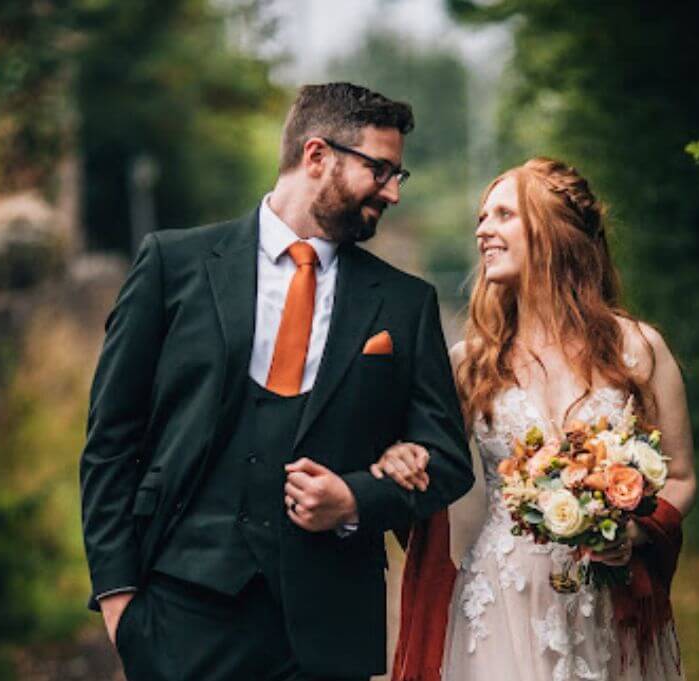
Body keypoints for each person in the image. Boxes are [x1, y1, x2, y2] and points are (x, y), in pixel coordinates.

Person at [79, 82, 474, 681]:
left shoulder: (404, 302)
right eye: (381, 170)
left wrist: (354, 500)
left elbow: (447, 457)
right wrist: (118, 600)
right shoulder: (173, 264)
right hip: (180, 612)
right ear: (317, 156)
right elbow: (111, 437)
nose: (392, 192)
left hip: (327, 631)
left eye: (400, 175)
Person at [375, 158, 696, 680]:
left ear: (553, 231)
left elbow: (680, 477)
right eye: (481, 217)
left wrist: (631, 535)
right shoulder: (469, 362)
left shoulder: (638, 349)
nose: (483, 230)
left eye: (503, 214)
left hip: (605, 603)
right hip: (500, 596)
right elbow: (424, 468)